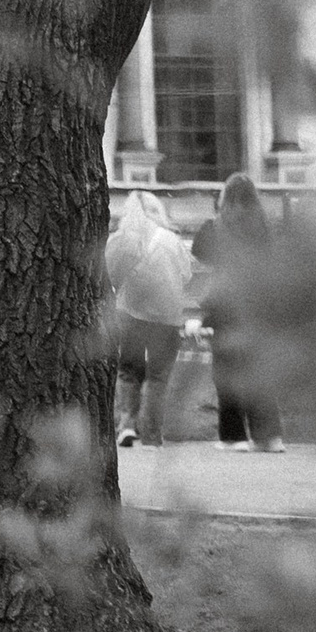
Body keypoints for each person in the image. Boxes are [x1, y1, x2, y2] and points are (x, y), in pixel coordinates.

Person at [195, 175, 287, 452]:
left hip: (225, 309)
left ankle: (234, 436)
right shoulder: (265, 230)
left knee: (226, 373)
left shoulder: (217, 228)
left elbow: (199, 250)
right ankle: (269, 437)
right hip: (259, 309)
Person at [104, 190, 192, 447]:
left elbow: (108, 275)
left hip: (130, 314)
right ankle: (152, 434)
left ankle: (127, 425)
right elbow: (186, 275)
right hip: (166, 318)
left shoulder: (119, 240)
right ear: (157, 211)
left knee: (128, 372)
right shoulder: (171, 240)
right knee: (158, 376)